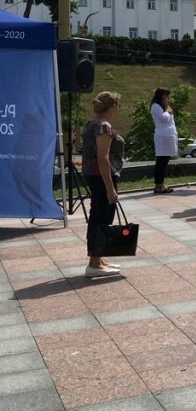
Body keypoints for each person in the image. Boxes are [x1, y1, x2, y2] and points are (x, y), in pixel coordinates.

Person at [81, 92, 125, 278]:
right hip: (102, 176)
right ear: (112, 106)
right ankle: (94, 262)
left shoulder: (92, 123)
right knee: (102, 216)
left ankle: (98, 258)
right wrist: (110, 188)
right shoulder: (104, 127)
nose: (118, 109)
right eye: (118, 105)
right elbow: (103, 158)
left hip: (93, 174)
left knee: (98, 214)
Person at [150, 87, 177, 194]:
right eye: (167, 96)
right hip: (162, 137)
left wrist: (167, 110)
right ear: (162, 96)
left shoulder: (164, 107)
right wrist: (168, 112)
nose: (168, 99)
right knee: (161, 162)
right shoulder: (155, 106)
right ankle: (158, 185)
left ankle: (161, 183)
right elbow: (163, 119)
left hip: (168, 136)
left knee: (164, 161)